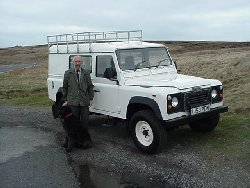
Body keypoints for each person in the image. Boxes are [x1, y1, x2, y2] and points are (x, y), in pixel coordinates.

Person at [62, 55, 94, 149]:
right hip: (73, 102)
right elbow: (65, 88)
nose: (77, 63)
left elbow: (90, 86)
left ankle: (83, 141)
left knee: (84, 124)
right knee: (71, 126)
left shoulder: (86, 73)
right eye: (76, 61)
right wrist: (66, 100)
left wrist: (91, 98)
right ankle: (70, 142)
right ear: (73, 62)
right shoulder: (68, 73)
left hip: (84, 102)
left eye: (79, 61)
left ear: (82, 62)